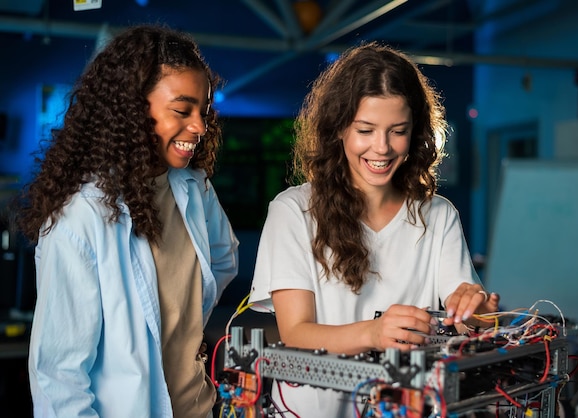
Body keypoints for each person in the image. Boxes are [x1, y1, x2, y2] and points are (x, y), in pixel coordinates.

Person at [248, 41, 500, 417]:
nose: (381, 148)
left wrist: (476, 309)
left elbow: (464, 319)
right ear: (338, 130)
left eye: (397, 131)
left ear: (415, 133)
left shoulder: (438, 214)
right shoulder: (294, 211)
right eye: (365, 130)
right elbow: (295, 331)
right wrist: (373, 333)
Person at [14, 24, 239, 418]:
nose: (200, 127)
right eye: (181, 110)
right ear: (133, 108)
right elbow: (59, 377)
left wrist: (180, 330)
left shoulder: (194, 188)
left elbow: (222, 261)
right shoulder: (81, 216)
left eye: (202, 112)